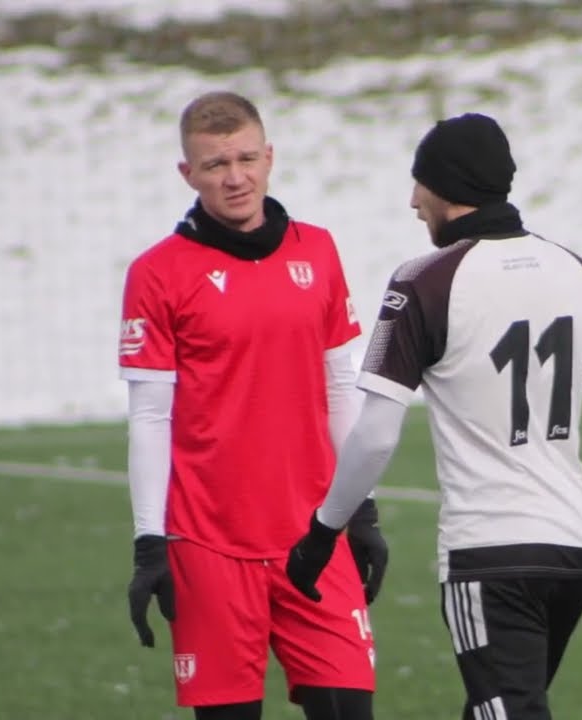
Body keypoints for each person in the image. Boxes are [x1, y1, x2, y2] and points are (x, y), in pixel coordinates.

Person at [285, 113, 582, 720]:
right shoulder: (576, 271)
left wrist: (324, 531)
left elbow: (376, 435)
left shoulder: (421, 282)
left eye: (420, 183)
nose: (412, 200)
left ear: (448, 188)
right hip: (574, 549)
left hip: (489, 555)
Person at [118, 90, 388, 720]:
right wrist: (148, 544)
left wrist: (362, 508)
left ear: (269, 158)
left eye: (245, 159)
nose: (234, 178)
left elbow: (340, 388)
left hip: (314, 536)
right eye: (214, 165)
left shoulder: (316, 250)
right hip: (208, 545)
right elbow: (151, 417)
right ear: (187, 173)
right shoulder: (157, 273)